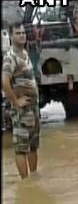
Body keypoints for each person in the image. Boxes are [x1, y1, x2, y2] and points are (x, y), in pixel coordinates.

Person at [2, 22, 40, 180]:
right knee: (21, 148)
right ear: (11, 36)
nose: (22, 35)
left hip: (32, 108)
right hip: (22, 110)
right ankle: (25, 182)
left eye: (23, 33)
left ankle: (33, 179)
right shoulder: (10, 57)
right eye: (18, 33)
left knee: (33, 146)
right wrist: (15, 101)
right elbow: (4, 81)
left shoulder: (24, 53)